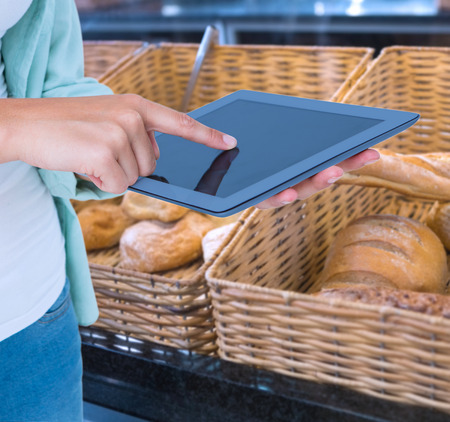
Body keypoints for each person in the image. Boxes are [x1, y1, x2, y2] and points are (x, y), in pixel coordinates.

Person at [0, 0, 380, 420]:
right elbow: (24, 118)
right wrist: (13, 126)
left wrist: (125, 142)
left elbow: (39, 84)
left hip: (37, 304)